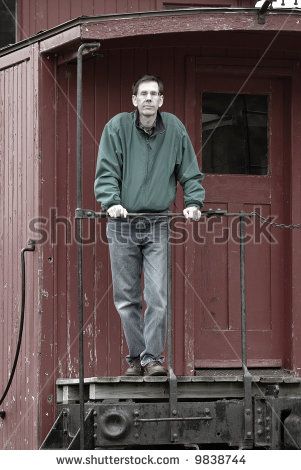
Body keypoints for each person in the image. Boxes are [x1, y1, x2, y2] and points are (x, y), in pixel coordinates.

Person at [94, 75, 205, 376]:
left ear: (160, 101)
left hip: (157, 223)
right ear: (134, 100)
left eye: (153, 94)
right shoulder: (117, 127)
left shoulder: (174, 129)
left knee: (156, 294)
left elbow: (191, 173)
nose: (148, 99)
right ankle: (135, 359)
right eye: (143, 94)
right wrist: (111, 201)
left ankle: (152, 358)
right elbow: (106, 171)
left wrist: (193, 203)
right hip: (123, 222)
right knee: (126, 296)